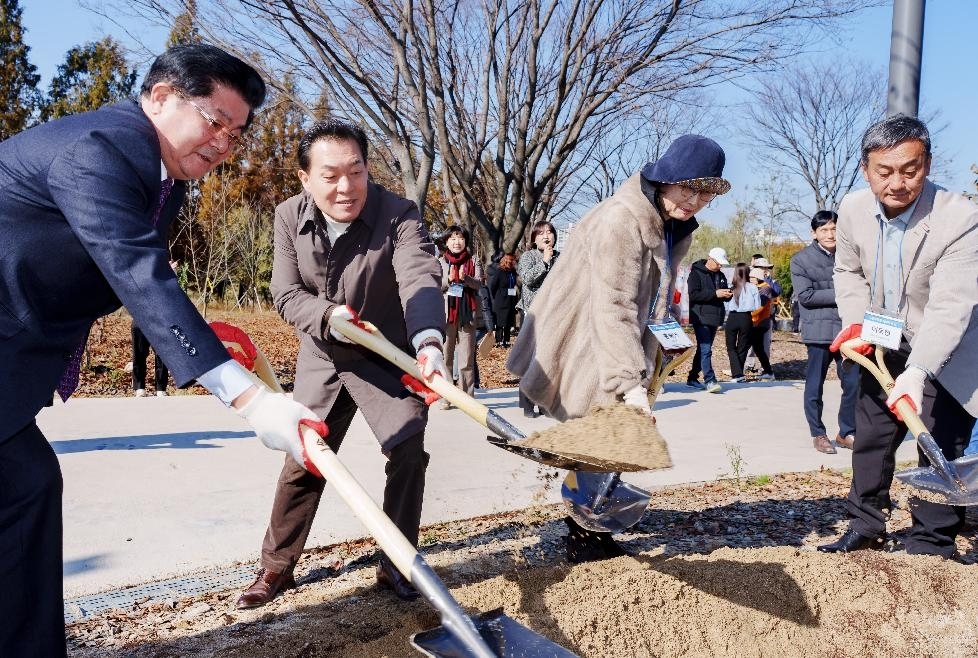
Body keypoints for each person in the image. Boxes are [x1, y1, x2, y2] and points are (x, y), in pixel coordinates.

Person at [0, 44, 326, 658]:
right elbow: (134, 267)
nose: (223, 145)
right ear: (158, 97)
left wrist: (208, 346)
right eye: (214, 121)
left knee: (26, 489)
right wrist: (249, 398)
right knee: (24, 488)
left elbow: (138, 277)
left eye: (235, 135)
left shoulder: (161, 178)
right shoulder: (99, 148)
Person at [236, 119, 447, 609]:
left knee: (408, 453)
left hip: (388, 355)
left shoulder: (399, 214)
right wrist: (328, 316)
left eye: (356, 171)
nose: (346, 186)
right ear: (305, 178)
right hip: (324, 352)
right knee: (303, 461)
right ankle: (275, 567)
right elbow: (285, 293)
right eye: (330, 175)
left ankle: (398, 563)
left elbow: (419, 277)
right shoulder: (289, 216)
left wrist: (429, 343)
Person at [508, 134, 731, 561]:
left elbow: (651, 295)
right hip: (584, 340)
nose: (695, 200)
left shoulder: (670, 225)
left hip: (619, 342)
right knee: (599, 432)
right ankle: (583, 535)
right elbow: (613, 304)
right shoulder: (622, 219)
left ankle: (590, 527)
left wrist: (664, 339)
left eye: (705, 193)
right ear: (665, 179)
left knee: (604, 436)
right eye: (689, 188)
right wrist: (630, 384)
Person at [819, 115, 978, 559]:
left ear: (927, 164)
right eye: (884, 172)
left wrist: (920, 371)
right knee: (871, 434)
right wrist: (855, 323)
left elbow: (951, 305)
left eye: (910, 170)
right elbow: (847, 271)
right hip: (884, 340)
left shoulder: (960, 217)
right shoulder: (851, 210)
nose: (897, 183)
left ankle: (932, 539)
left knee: (938, 439)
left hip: (946, 343)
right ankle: (865, 523)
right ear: (866, 168)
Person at [790, 210, 859, 455]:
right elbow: (806, 297)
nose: (830, 234)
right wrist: (844, 294)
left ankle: (846, 431)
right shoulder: (801, 260)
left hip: (848, 333)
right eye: (824, 230)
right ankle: (818, 434)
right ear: (814, 233)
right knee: (814, 386)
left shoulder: (850, 255)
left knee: (853, 383)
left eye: (833, 229)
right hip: (818, 333)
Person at [515, 220, 560, 417]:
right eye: (541, 233)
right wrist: (544, 261)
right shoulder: (528, 256)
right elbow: (527, 278)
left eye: (550, 232)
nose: (546, 236)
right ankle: (527, 403)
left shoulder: (561, 257)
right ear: (534, 238)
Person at [438, 225, 482, 406]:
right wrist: (447, 280)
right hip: (446, 315)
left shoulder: (474, 260)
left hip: (468, 315)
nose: (457, 242)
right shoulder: (440, 261)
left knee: (466, 358)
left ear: (466, 241)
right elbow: (434, 285)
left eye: (461, 238)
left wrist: (466, 279)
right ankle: (447, 397)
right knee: (446, 357)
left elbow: (479, 284)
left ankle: (467, 398)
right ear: (447, 242)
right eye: (453, 239)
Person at [685, 246, 733, 392]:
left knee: (702, 349)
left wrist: (727, 295)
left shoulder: (721, 275)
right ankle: (710, 380)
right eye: (718, 263)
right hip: (701, 316)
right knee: (706, 350)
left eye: (721, 264)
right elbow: (693, 295)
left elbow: (721, 293)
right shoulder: (695, 273)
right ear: (710, 259)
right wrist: (715, 294)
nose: (720, 266)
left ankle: (692, 378)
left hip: (715, 317)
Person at [744, 254, 782, 374]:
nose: (764, 269)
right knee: (748, 343)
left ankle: (764, 367)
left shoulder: (771, 282)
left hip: (766, 318)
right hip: (750, 317)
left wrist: (767, 280)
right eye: (760, 267)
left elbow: (776, 292)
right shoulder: (749, 279)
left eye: (766, 267)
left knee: (765, 343)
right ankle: (748, 364)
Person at [723, 263, 761, 381]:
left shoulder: (731, 287)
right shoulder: (753, 287)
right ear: (748, 273)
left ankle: (737, 374)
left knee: (731, 347)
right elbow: (757, 306)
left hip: (732, 318)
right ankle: (738, 374)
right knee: (743, 347)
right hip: (746, 318)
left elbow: (725, 305)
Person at [747, 267, 776, 381]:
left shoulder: (765, 289)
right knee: (758, 348)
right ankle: (768, 371)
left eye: (752, 277)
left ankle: (738, 371)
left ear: (758, 278)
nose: (750, 279)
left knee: (750, 347)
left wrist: (748, 314)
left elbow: (760, 307)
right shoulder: (756, 288)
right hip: (755, 322)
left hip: (760, 322)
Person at [130, 319, 169, 396]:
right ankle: (141, 387)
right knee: (140, 354)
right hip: (151, 320)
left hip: (145, 319)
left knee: (160, 354)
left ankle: (158, 388)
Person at [488, 253, 519, 347]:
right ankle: (498, 341)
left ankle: (506, 341)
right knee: (500, 322)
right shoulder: (499, 271)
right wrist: (496, 297)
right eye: (511, 260)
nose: (512, 262)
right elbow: (493, 286)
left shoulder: (513, 271)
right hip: (501, 300)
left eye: (513, 260)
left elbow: (515, 284)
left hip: (511, 299)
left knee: (509, 321)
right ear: (506, 260)